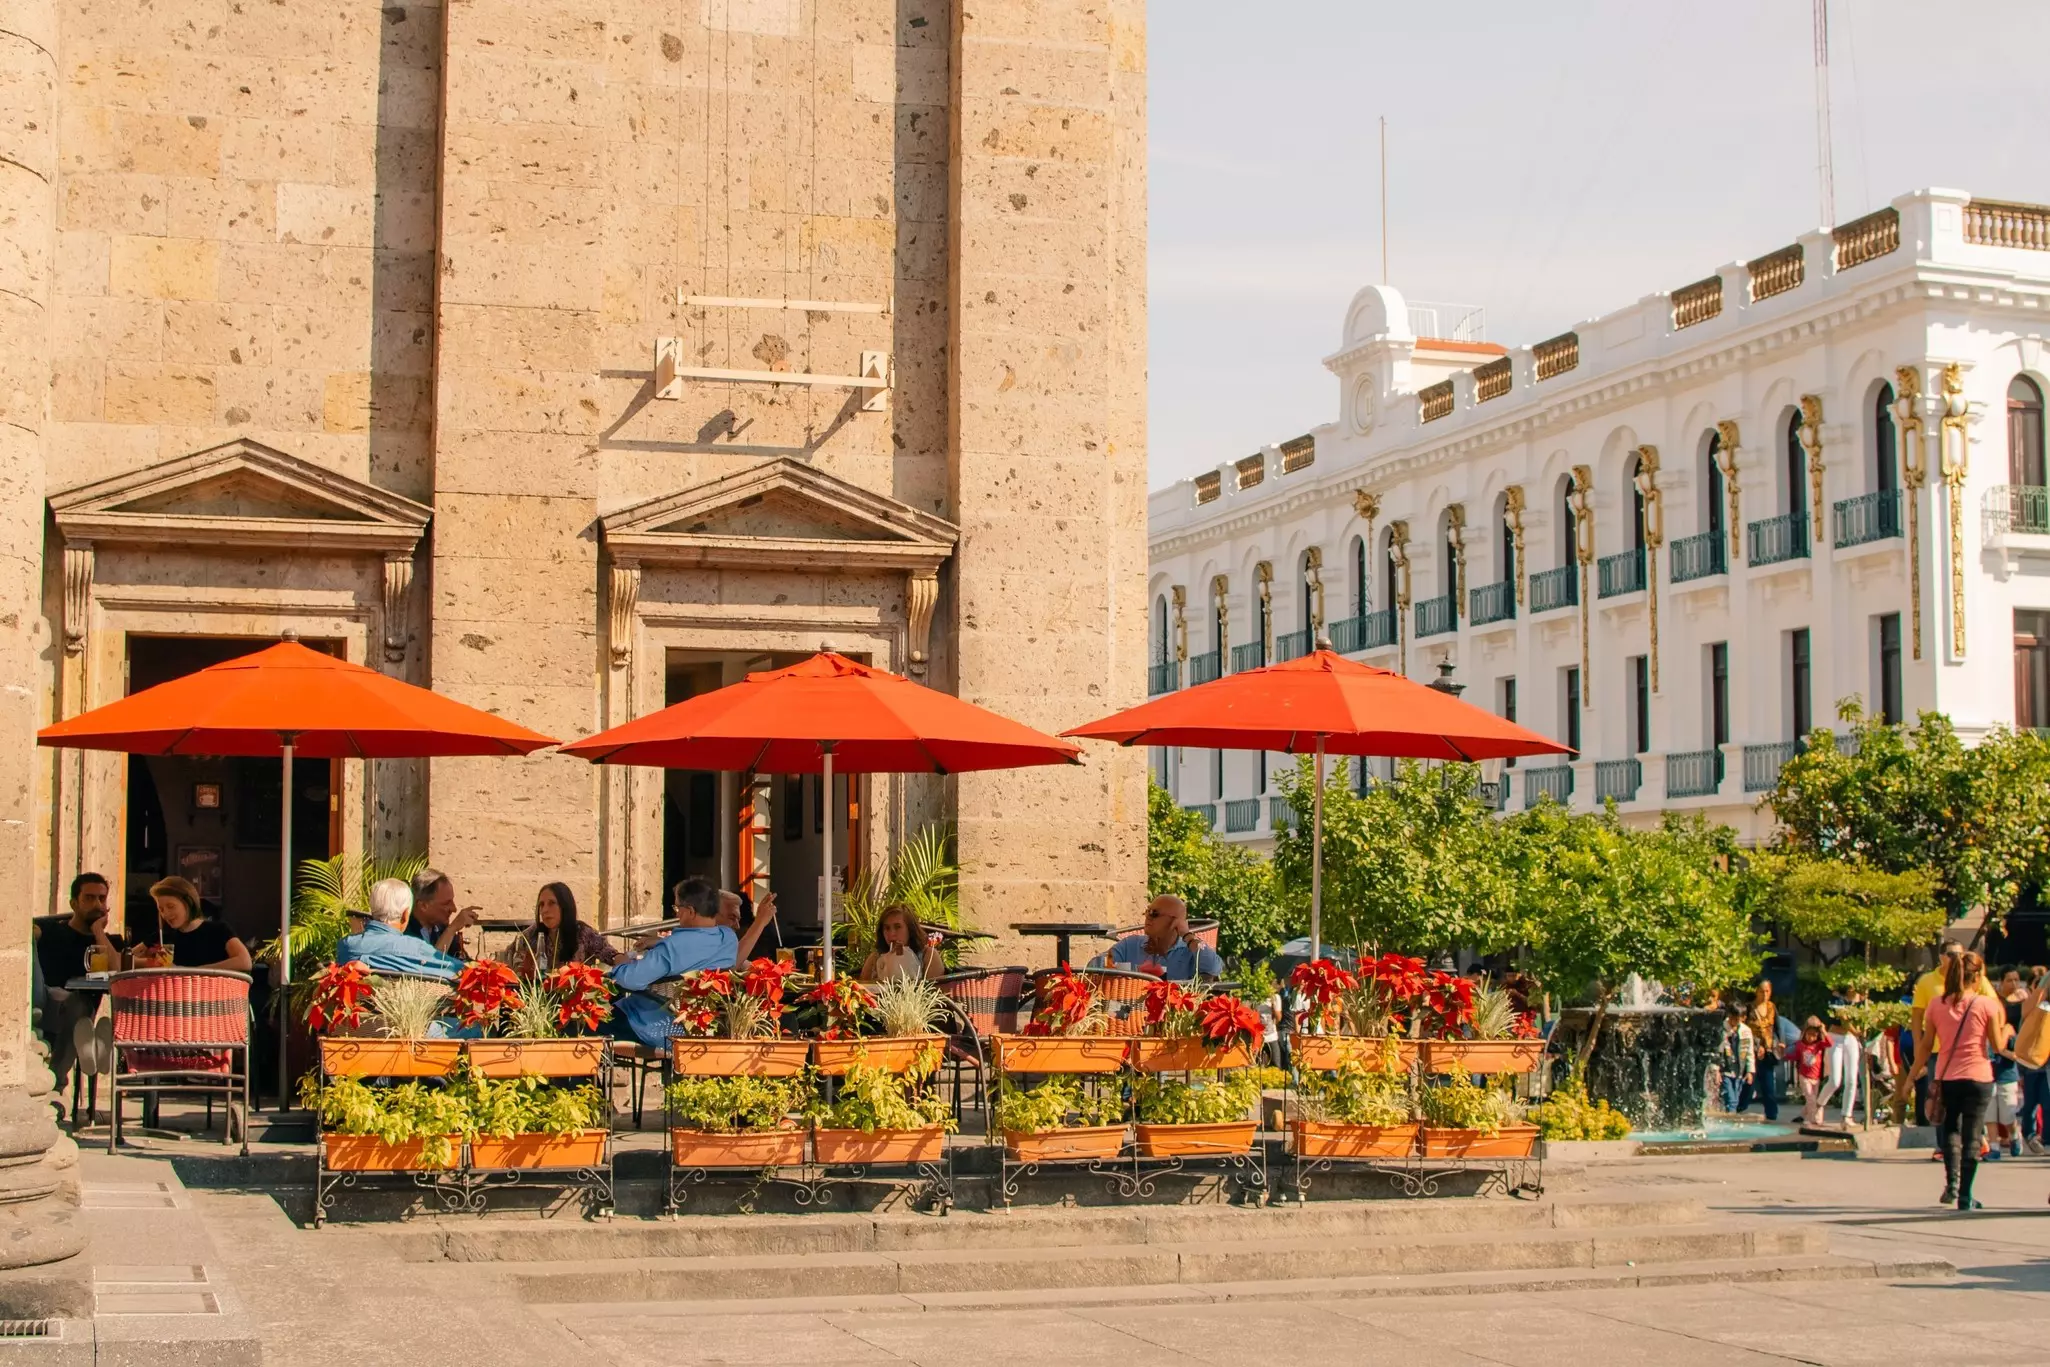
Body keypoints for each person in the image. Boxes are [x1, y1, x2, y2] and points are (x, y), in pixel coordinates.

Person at [609, 877, 780, 1048]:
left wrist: (621, 962)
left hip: (654, 1026)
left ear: (690, 911)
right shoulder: (728, 939)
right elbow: (732, 960)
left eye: (677, 907)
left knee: (587, 1026)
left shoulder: (673, 946)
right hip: (699, 1027)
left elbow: (630, 980)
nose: (676, 913)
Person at [1908, 949, 2009, 1211]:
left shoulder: (1936, 1004)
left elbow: (1925, 1045)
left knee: (1951, 1128)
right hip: (1978, 1075)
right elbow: (1998, 1046)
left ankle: (1951, 1184)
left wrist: (1910, 1078)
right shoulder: (1986, 1005)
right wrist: (2007, 1030)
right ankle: (1966, 1194)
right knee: (1972, 1134)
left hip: (1946, 1075)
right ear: (1977, 977)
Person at [34, 873, 123, 1089]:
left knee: (78, 1006)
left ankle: (58, 1080)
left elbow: (117, 972)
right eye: (89, 898)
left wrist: (98, 932)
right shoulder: (49, 930)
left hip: (78, 1010)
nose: (97, 904)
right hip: (45, 1004)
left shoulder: (109, 941)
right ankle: (92, 1048)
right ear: (74, 903)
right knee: (74, 1007)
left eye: (102, 899)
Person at [335, 878, 464, 981]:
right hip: (407, 1012)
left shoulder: (346, 945)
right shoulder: (415, 947)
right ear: (405, 914)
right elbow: (456, 970)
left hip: (360, 1011)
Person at [135, 877, 252, 973]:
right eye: (161, 909)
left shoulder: (219, 930)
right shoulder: (163, 936)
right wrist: (151, 962)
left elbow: (244, 961)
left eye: (170, 906)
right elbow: (127, 958)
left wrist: (194, 971)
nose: (165, 914)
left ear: (188, 903)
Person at [505, 883, 620, 979]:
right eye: (541, 905)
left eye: (551, 903)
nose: (544, 910)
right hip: (536, 1000)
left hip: (572, 1000)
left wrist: (626, 959)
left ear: (565, 906)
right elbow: (507, 958)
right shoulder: (531, 934)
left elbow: (611, 955)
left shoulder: (582, 932)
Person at [1095, 895, 1223, 981]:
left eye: (1154, 913)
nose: (1148, 916)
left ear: (1175, 921)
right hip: (1131, 1015)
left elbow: (1214, 968)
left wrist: (1187, 935)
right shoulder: (1131, 944)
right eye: (1148, 911)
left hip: (1171, 1016)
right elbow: (1096, 965)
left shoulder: (1189, 950)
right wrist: (1136, 971)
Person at [1989, 966, 2028, 1159]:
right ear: (2001, 982)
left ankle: (2014, 1134)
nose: (2013, 984)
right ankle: (1994, 1146)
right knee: (1989, 1109)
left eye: (2016, 980)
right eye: (2009, 980)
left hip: (2010, 1058)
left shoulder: (2024, 1002)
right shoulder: (1994, 1001)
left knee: (2007, 1111)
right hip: (1990, 1061)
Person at [857, 903, 942, 983]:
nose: (891, 934)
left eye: (897, 927)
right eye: (887, 928)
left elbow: (936, 992)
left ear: (910, 929)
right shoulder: (874, 959)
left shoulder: (928, 956)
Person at [406, 868, 476, 959]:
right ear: (423, 906)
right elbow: (429, 966)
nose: (454, 909)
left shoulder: (441, 929)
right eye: (446, 903)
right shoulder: (406, 932)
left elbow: (465, 962)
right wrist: (452, 928)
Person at [2021, 966, 2050, 1155]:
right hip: (2038, 1057)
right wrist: (2044, 983)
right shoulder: (2044, 1006)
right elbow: (2026, 1012)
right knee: (2033, 1102)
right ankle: (2032, 1135)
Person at [1743, 983, 1780, 1121]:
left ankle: (1772, 1114)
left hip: (1768, 1051)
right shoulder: (1749, 1008)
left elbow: (1777, 1026)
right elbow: (1745, 1028)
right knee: (1749, 1082)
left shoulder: (1772, 1007)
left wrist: (1780, 1041)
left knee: (1768, 1084)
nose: (1764, 994)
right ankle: (1740, 1107)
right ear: (1756, 991)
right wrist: (1757, 1046)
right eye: (1761, 991)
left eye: (1767, 991)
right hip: (1752, 1050)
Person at [1788, 1017, 1829, 1126]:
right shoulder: (1800, 1045)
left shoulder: (1819, 1045)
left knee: (1813, 1099)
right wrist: (1783, 1053)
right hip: (1804, 1076)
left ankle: (1802, 1116)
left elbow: (1830, 1043)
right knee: (1811, 1099)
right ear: (1804, 1033)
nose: (1811, 1037)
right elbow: (1794, 1056)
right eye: (1809, 1034)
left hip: (1816, 1077)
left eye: (1814, 1035)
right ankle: (1813, 1119)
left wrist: (1824, 1031)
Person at [1718, 1005, 1755, 1114]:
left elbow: (1749, 1052)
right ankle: (1731, 1123)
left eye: (1739, 1019)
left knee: (1736, 1097)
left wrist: (1750, 1071)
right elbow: (1717, 1051)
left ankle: (1728, 1118)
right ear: (1729, 1016)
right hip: (1725, 1069)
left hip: (1739, 1070)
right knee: (1731, 1100)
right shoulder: (1722, 1029)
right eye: (1734, 1018)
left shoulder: (1746, 1031)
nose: (1736, 1022)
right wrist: (1716, 1070)